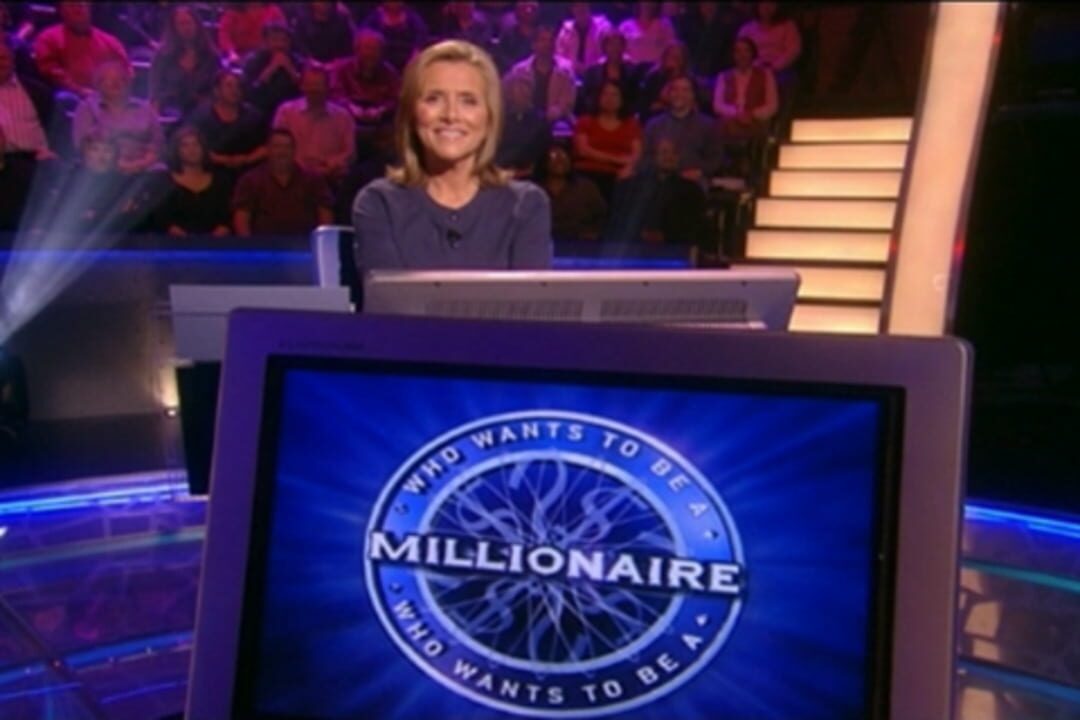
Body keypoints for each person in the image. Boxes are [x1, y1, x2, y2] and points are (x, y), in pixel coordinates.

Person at [352, 39, 552, 271]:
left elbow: (528, 295)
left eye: (468, 101)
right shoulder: (379, 204)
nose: (451, 115)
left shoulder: (526, 205)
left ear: (490, 117)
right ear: (411, 113)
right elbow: (389, 294)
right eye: (434, 99)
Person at [232, 127, 334, 237]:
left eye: (287, 147)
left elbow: (325, 217)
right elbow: (241, 219)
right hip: (263, 245)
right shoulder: (250, 180)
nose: (282, 152)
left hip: (304, 244)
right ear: (267, 150)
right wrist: (249, 246)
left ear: (294, 150)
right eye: (277, 146)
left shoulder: (313, 179)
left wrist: (322, 242)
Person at [72, 61, 164, 175]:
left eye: (121, 79)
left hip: (143, 167)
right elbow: (82, 145)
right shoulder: (87, 108)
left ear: (128, 84)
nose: (115, 83)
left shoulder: (145, 109)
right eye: (109, 80)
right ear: (98, 85)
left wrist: (141, 164)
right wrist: (115, 164)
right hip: (102, 167)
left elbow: (157, 144)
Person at [272, 63, 355, 181]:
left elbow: (350, 153)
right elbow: (278, 148)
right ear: (301, 86)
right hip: (292, 177)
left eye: (318, 85)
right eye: (309, 85)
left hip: (330, 177)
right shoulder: (286, 112)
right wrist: (302, 169)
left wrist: (330, 165)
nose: (313, 89)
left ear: (328, 87)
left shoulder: (343, 116)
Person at [32, 1, 129, 98]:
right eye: (71, 4)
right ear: (62, 10)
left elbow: (125, 71)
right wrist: (79, 91)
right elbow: (51, 72)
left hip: (109, 99)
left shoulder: (110, 42)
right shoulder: (48, 38)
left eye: (81, 3)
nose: (78, 7)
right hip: (72, 99)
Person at [331, 28, 400, 160]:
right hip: (348, 119)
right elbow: (335, 94)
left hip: (379, 122)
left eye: (376, 49)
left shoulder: (389, 72)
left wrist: (380, 110)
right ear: (357, 50)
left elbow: (396, 99)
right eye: (367, 48)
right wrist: (352, 108)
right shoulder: (342, 69)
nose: (371, 53)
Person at [189, 69, 268, 183]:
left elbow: (266, 146)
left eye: (238, 86)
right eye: (229, 86)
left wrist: (247, 159)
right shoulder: (201, 116)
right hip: (209, 175)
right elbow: (192, 147)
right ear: (217, 90)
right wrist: (222, 160)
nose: (235, 90)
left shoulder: (253, 116)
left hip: (248, 176)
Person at [639, 74, 721, 184]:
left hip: (693, 183)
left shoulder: (707, 125)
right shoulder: (653, 125)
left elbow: (716, 159)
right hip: (659, 181)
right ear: (669, 94)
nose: (679, 94)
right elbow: (644, 158)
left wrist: (700, 172)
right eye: (675, 89)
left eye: (685, 90)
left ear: (693, 95)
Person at [154, 126, 231, 236]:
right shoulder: (165, 182)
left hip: (215, 242)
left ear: (203, 148)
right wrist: (175, 232)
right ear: (177, 151)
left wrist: (221, 231)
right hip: (175, 242)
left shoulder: (220, 180)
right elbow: (161, 217)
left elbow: (226, 215)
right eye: (185, 145)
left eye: (196, 144)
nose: (192, 149)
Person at [572, 80, 641, 202]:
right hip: (588, 173)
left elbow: (637, 155)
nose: (610, 98)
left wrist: (629, 167)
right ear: (598, 98)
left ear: (622, 99)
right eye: (605, 94)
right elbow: (583, 150)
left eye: (614, 95)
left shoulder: (631, 124)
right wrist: (617, 160)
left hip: (620, 176)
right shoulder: (585, 121)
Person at [149, 5, 221, 117]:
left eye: (189, 22)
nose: (186, 27)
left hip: (201, 112)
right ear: (174, 28)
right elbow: (155, 89)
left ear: (197, 24)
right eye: (181, 24)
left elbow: (216, 89)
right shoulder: (163, 55)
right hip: (168, 110)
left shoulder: (210, 55)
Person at [503, 25, 576, 125]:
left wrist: (551, 114)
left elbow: (567, 103)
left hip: (556, 123)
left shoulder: (566, 70)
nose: (548, 44)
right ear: (534, 45)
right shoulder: (518, 71)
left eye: (551, 40)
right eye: (543, 40)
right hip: (524, 122)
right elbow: (508, 98)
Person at [713, 37, 778, 139]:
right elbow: (718, 105)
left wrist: (752, 114)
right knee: (723, 127)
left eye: (746, 50)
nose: (742, 55)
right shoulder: (723, 76)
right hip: (731, 120)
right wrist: (737, 114)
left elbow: (772, 105)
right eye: (738, 51)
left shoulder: (766, 74)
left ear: (752, 53)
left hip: (757, 121)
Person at [540, 144, 606, 242]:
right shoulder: (534, 189)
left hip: (580, 241)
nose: (560, 161)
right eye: (554, 157)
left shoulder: (586, 187)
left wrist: (594, 232)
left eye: (564, 157)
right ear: (544, 163)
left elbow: (602, 215)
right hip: (541, 240)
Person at [242, 21, 304, 116]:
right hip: (261, 110)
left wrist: (291, 70)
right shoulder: (254, 61)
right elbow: (249, 92)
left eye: (284, 40)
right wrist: (271, 68)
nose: (280, 44)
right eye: (275, 40)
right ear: (265, 42)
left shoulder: (297, 61)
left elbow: (306, 90)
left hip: (292, 111)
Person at [495, 74, 551, 178]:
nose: (525, 93)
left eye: (527, 89)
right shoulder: (498, 120)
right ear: (509, 94)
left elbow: (539, 156)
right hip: (497, 173)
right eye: (520, 89)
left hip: (528, 176)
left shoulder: (540, 123)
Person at [579, 27, 641, 116]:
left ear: (624, 47)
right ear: (604, 47)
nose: (615, 48)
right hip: (597, 115)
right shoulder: (592, 72)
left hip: (624, 116)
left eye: (618, 44)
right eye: (611, 44)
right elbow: (586, 97)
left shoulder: (633, 72)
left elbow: (636, 98)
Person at [361, 1, 429, 73]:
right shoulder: (374, 18)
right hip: (382, 63)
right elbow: (364, 35)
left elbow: (421, 36)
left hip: (408, 62)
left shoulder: (411, 18)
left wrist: (415, 54)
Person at [638, 41, 697, 121]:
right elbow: (645, 106)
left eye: (677, 57)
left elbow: (693, 106)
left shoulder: (689, 80)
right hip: (655, 119)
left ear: (683, 60)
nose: (673, 59)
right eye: (670, 55)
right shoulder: (654, 78)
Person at [218, 2, 287, 66]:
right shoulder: (232, 12)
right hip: (239, 55)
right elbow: (224, 34)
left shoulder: (273, 10)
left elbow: (283, 34)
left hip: (266, 56)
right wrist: (231, 53)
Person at [555, 2, 611, 78]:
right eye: (577, 5)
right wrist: (572, 66)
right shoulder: (565, 30)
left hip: (598, 75)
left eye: (583, 4)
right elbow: (559, 57)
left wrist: (590, 69)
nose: (580, 8)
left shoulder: (602, 27)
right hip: (570, 75)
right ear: (572, 9)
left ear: (589, 5)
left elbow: (609, 55)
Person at [617, 1, 676, 67]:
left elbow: (671, 50)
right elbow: (618, 51)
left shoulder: (665, 26)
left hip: (658, 70)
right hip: (632, 70)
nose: (648, 3)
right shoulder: (625, 26)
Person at [493, 0, 539, 72]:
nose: (528, 11)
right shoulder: (508, 36)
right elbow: (502, 59)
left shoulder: (542, 36)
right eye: (524, 8)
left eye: (532, 8)